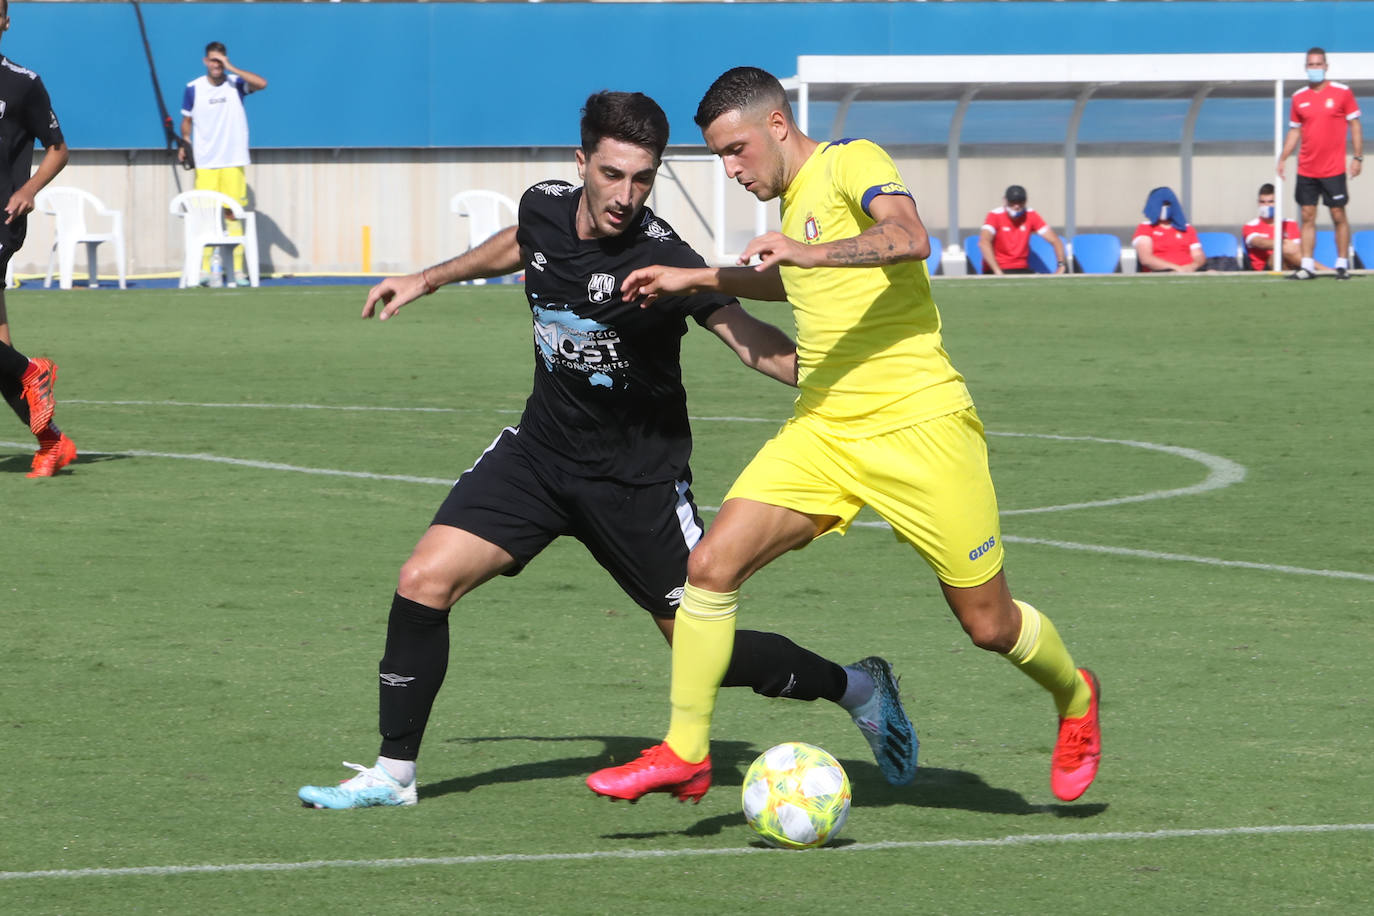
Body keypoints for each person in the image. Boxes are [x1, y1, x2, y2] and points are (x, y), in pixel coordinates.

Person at [296, 91, 918, 810]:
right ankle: (393, 775)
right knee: (422, 581)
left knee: (705, 655)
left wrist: (850, 380)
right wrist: (427, 278)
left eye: (644, 178)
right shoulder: (543, 207)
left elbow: (749, 339)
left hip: (638, 486)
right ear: (581, 162)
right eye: (613, 174)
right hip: (540, 458)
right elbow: (519, 244)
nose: (627, 195)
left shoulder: (662, 259)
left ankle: (857, 686)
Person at [586, 67, 1100, 806]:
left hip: (921, 426)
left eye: (736, 151)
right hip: (825, 429)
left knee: (989, 625)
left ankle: (1075, 696)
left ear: (777, 126)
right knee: (709, 568)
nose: (731, 170)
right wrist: (693, 277)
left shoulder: (850, 160)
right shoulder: (790, 209)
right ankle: (687, 751)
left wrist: (807, 252)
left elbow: (907, 237)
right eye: (719, 158)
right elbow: (788, 280)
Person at [0, 0, 75, 477]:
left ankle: (31, 370)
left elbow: (58, 148)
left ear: (4, 21)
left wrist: (28, 188)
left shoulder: (23, 84)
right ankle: (53, 442)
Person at [178, 41, 267, 287]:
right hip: (206, 163)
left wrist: (231, 67)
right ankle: (206, 269)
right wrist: (185, 143)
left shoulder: (235, 84)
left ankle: (237, 270)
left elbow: (262, 84)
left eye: (220, 61)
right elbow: (186, 120)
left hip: (233, 160)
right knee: (205, 216)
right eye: (212, 60)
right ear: (205, 61)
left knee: (232, 214)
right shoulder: (193, 88)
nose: (216, 65)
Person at [1277, 47, 1362, 281]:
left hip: (1333, 169)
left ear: (1326, 66)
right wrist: (1283, 157)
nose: (1314, 68)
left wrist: (1357, 156)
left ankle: (1342, 264)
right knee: (1307, 215)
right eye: (1310, 65)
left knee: (1337, 214)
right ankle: (1307, 266)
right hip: (1306, 168)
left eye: (1318, 64)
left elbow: (1355, 124)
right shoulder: (1298, 97)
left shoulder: (1342, 93)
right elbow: (1295, 130)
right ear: (1306, 67)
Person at [977, 185, 1066, 275]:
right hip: (998, 269)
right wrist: (997, 271)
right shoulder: (994, 215)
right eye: (1012, 202)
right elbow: (984, 242)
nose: (1016, 206)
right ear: (1005, 200)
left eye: (1020, 202)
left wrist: (1061, 265)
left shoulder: (1030, 214)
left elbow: (1055, 240)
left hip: (1022, 269)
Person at [1243, 182, 1318, 272]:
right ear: (1258, 203)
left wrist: (1285, 246)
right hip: (1265, 267)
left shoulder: (1290, 223)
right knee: (1282, 250)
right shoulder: (1250, 226)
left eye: (1270, 202)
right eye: (1262, 202)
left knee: (1290, 250)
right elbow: (1259, 243)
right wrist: (1283, 243)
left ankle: (1312, 270)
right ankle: (1324, 270)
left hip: (1291, 263)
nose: (1266, 206)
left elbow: (1296, 248)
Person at [1131, 187, 1205, 273]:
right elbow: (1146, 259)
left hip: (1188, 273)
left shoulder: (1187, 228)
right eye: (1161, 204)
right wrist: (1176, 268)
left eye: (1168, 204)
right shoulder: (1145, 228)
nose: (1165, 208)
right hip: (1160, 274)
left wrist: (1193, 266)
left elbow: (1198, 255)